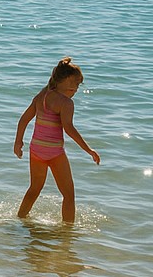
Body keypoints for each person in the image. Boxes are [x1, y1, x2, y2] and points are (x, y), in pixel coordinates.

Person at [14, 57, 100, 222]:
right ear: (66, 80)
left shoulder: (43, 95)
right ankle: (68, 232)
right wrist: (88, 150)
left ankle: (20, 219)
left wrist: (18, 142)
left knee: (34, 189)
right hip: (54, 152)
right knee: (68, 194)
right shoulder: (66, 103)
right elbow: (69, 129)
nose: (76, 89)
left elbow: (24, 119)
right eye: (76, 84)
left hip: (36, 150)